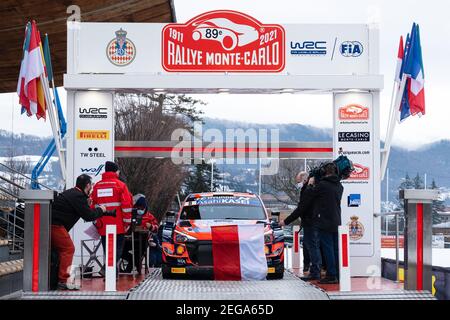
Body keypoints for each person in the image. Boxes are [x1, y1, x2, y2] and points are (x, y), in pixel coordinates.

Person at [51, 174, 115, 290]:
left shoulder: (73, 193)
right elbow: (89, 216)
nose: (91, 189)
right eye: (91, 186)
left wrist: (87, 205)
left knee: (60, 251)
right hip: (56, 226)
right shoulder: (78, 196)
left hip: (52, 224)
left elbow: (81, 210)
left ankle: (56, 279)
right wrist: (102, 209)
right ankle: (63, 280)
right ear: (87, 185)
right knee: (68, 248)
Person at [90, 161, 133, 271]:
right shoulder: (120, 185)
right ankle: (108, 271)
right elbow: (127, 206)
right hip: (118, 225)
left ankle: (110, 274)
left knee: (107, 250)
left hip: (103, 225)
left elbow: (92, 205)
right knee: (117, 249)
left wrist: (96, 221)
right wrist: (127, 223)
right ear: (116, 171)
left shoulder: (97, 186)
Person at [280, 175, 321, 281]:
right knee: (312, 246)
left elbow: (300, 209)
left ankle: (315, 272)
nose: (298, 184)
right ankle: (315, 269)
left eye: (298, 181)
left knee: (312, 247)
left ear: (305, 180)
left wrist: (286, 221)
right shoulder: (309, 190)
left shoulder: (308, 191)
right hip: (312, 221)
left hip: (310, 223)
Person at [120, 194, 159, 274]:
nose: (139, 210)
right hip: (130, 239)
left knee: (139, 251)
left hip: (143, 241)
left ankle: (130, 268)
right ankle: (135, 263)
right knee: (120, 250)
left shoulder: (149, 216)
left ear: (145, 208)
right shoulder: (131, 215)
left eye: (141, 208)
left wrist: (151, 226)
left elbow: (157, 228)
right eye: (138, 208)